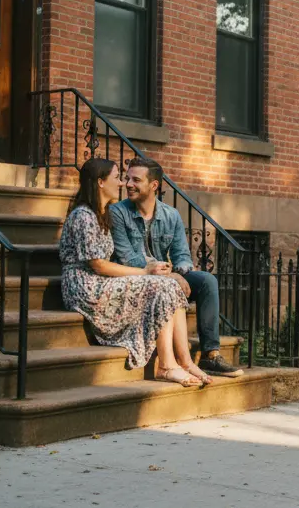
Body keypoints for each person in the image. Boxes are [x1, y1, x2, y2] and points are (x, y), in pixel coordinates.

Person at [59, 158, 212, 386]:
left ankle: (185, 361)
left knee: (170, 285)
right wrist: (145, 272)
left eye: (128, 179)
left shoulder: (102, 212)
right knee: (160, 284)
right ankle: (166, 366)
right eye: (117, 178)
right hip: (85, 286)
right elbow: (98, 265)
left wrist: (157, 273)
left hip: (100, 280)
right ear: (101, 182)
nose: (122, 184)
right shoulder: (84, 216)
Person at [109, 157, 243, 378]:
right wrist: (170, 275)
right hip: (138, 277)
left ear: (154, 185)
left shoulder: (171, 215)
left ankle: (211, 355)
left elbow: (182, 255)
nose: (129, 184)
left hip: (165, 275)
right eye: (127, 178)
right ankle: (176, 362)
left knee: (208, 281)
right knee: (172, 281)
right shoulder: (118, 213)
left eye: (136, 180)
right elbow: (127, 258)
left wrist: (179, 273)